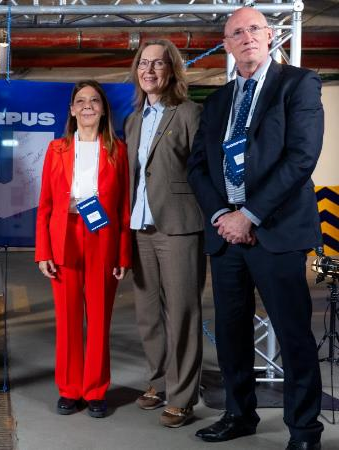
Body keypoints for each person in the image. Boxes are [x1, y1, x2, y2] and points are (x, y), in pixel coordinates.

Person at [187, 7, 324, 450]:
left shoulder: (298, 84)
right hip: (226, 236)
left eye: (254, 29)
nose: (246, 37)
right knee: (231, 333)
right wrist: (221, 216)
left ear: (269, 36)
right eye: (236, 32)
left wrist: (250, 215)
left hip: (276, 231)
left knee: (293, 333)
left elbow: (301, 157)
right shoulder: (218, 101)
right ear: (226, 45)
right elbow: (198, 166)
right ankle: (239, 414)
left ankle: (304, 431)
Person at [35, 80, 131, 419]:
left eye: (94, 100)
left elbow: (123, 207)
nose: (87, 105)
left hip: (102, 237)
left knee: (100, 319)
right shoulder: (56, 149)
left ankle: (95, 390)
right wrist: (43, 251)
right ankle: (69, 388)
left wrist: (123, 254)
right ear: (72, 110)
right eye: (80, 101)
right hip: (65, 236)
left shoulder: (118, 150)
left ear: (103, 109)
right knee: (67, 319)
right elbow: (46, 204)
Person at [124, 39, 204, 428]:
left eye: (158, 63)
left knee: (182, 313)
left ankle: (183, 395)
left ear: (172, 70)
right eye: (144, 63)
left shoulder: (188, 112)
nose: (150, 70)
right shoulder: (133, 120)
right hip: (140, 227)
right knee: (147, 314)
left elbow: (203, 170)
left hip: (178, 227)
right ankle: (157, 381)